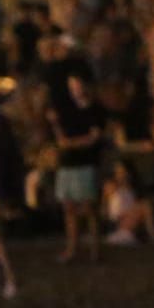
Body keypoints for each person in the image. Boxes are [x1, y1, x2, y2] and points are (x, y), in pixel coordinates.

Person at [49, 75, 103, 263]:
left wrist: (72, 144)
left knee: (88, 207)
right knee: (69, 207)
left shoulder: (92, 109)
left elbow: (94, 136)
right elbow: (59, 136)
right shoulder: (66, 110)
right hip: (68, 164)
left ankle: (95, 249)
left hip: (84, 163)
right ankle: (72, 248)